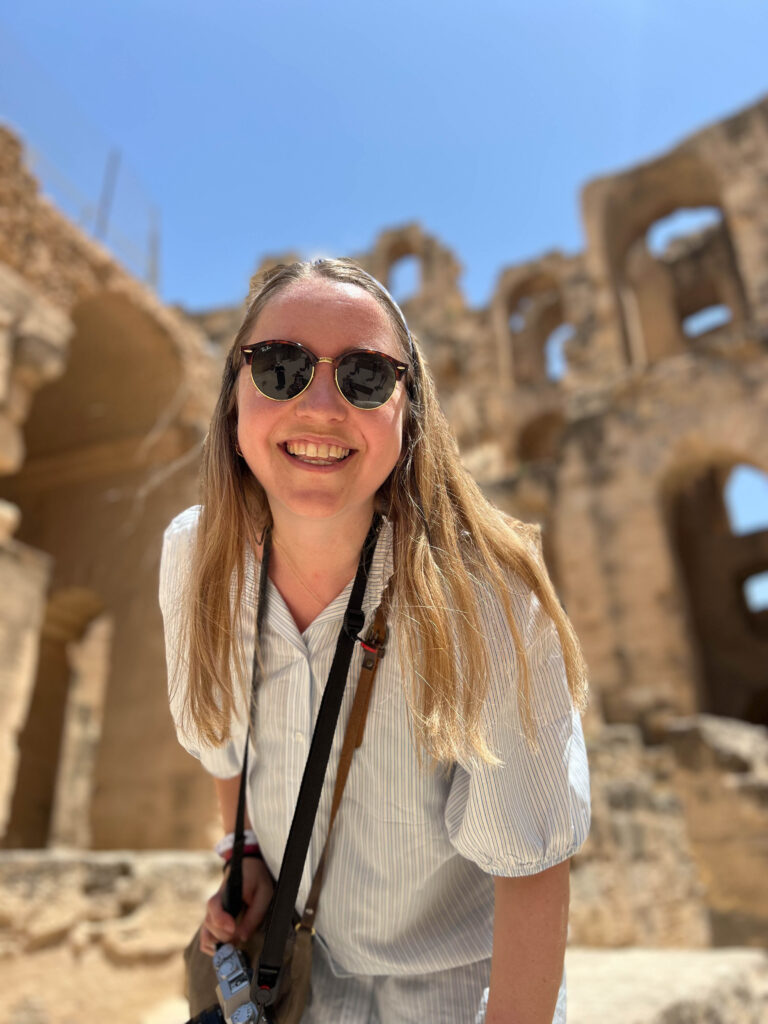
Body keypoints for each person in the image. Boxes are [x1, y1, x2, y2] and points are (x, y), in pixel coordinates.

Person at [159, 258, 590, 1024]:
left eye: (365, 377)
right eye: (281, 367)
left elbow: (531, 869)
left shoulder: (484, 591)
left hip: (454, 1000)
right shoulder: (196, 558)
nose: (320, 405)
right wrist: (247, 858)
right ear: (234, 398)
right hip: (294, 985)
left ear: (408, 411)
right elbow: (224, 744)